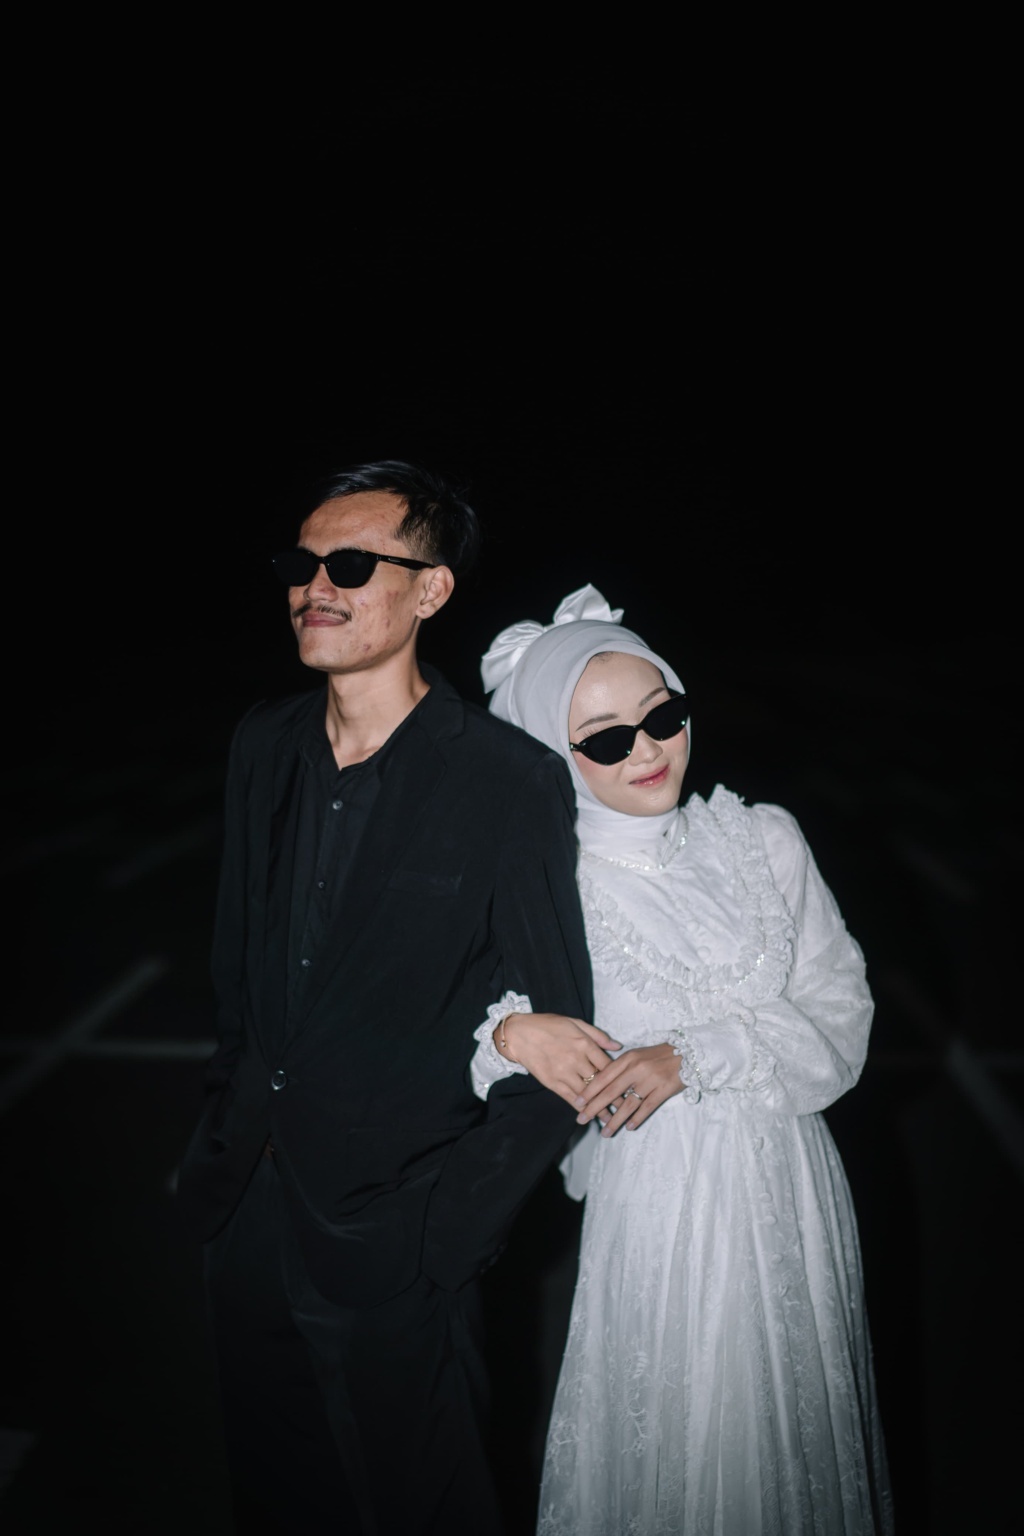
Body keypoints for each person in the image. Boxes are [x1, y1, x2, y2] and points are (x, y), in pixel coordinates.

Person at [175, 462, 599, 1536]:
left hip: (397, 1241)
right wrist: (219, 1141)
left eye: (353, 566)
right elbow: (238, 973)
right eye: (302, 563)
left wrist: (446, 1236)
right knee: (276, 1503)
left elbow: (561, 1031)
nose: (315, 586)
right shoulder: (263, 741)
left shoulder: (506, 779)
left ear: (431, 590)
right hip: (245, 1214)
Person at [470, 584, 895, 1535]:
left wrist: (694, 1054)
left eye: (662, 715)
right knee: (680, 1449)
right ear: (551, 753)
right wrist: (508, 1036)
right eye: (607, 739)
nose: (649, 749)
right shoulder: (547, 883)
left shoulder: (764, 839)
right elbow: (456, 1039)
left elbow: (841, 1012)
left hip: (792, 1188)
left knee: (791, 1451)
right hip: (657, 1209)